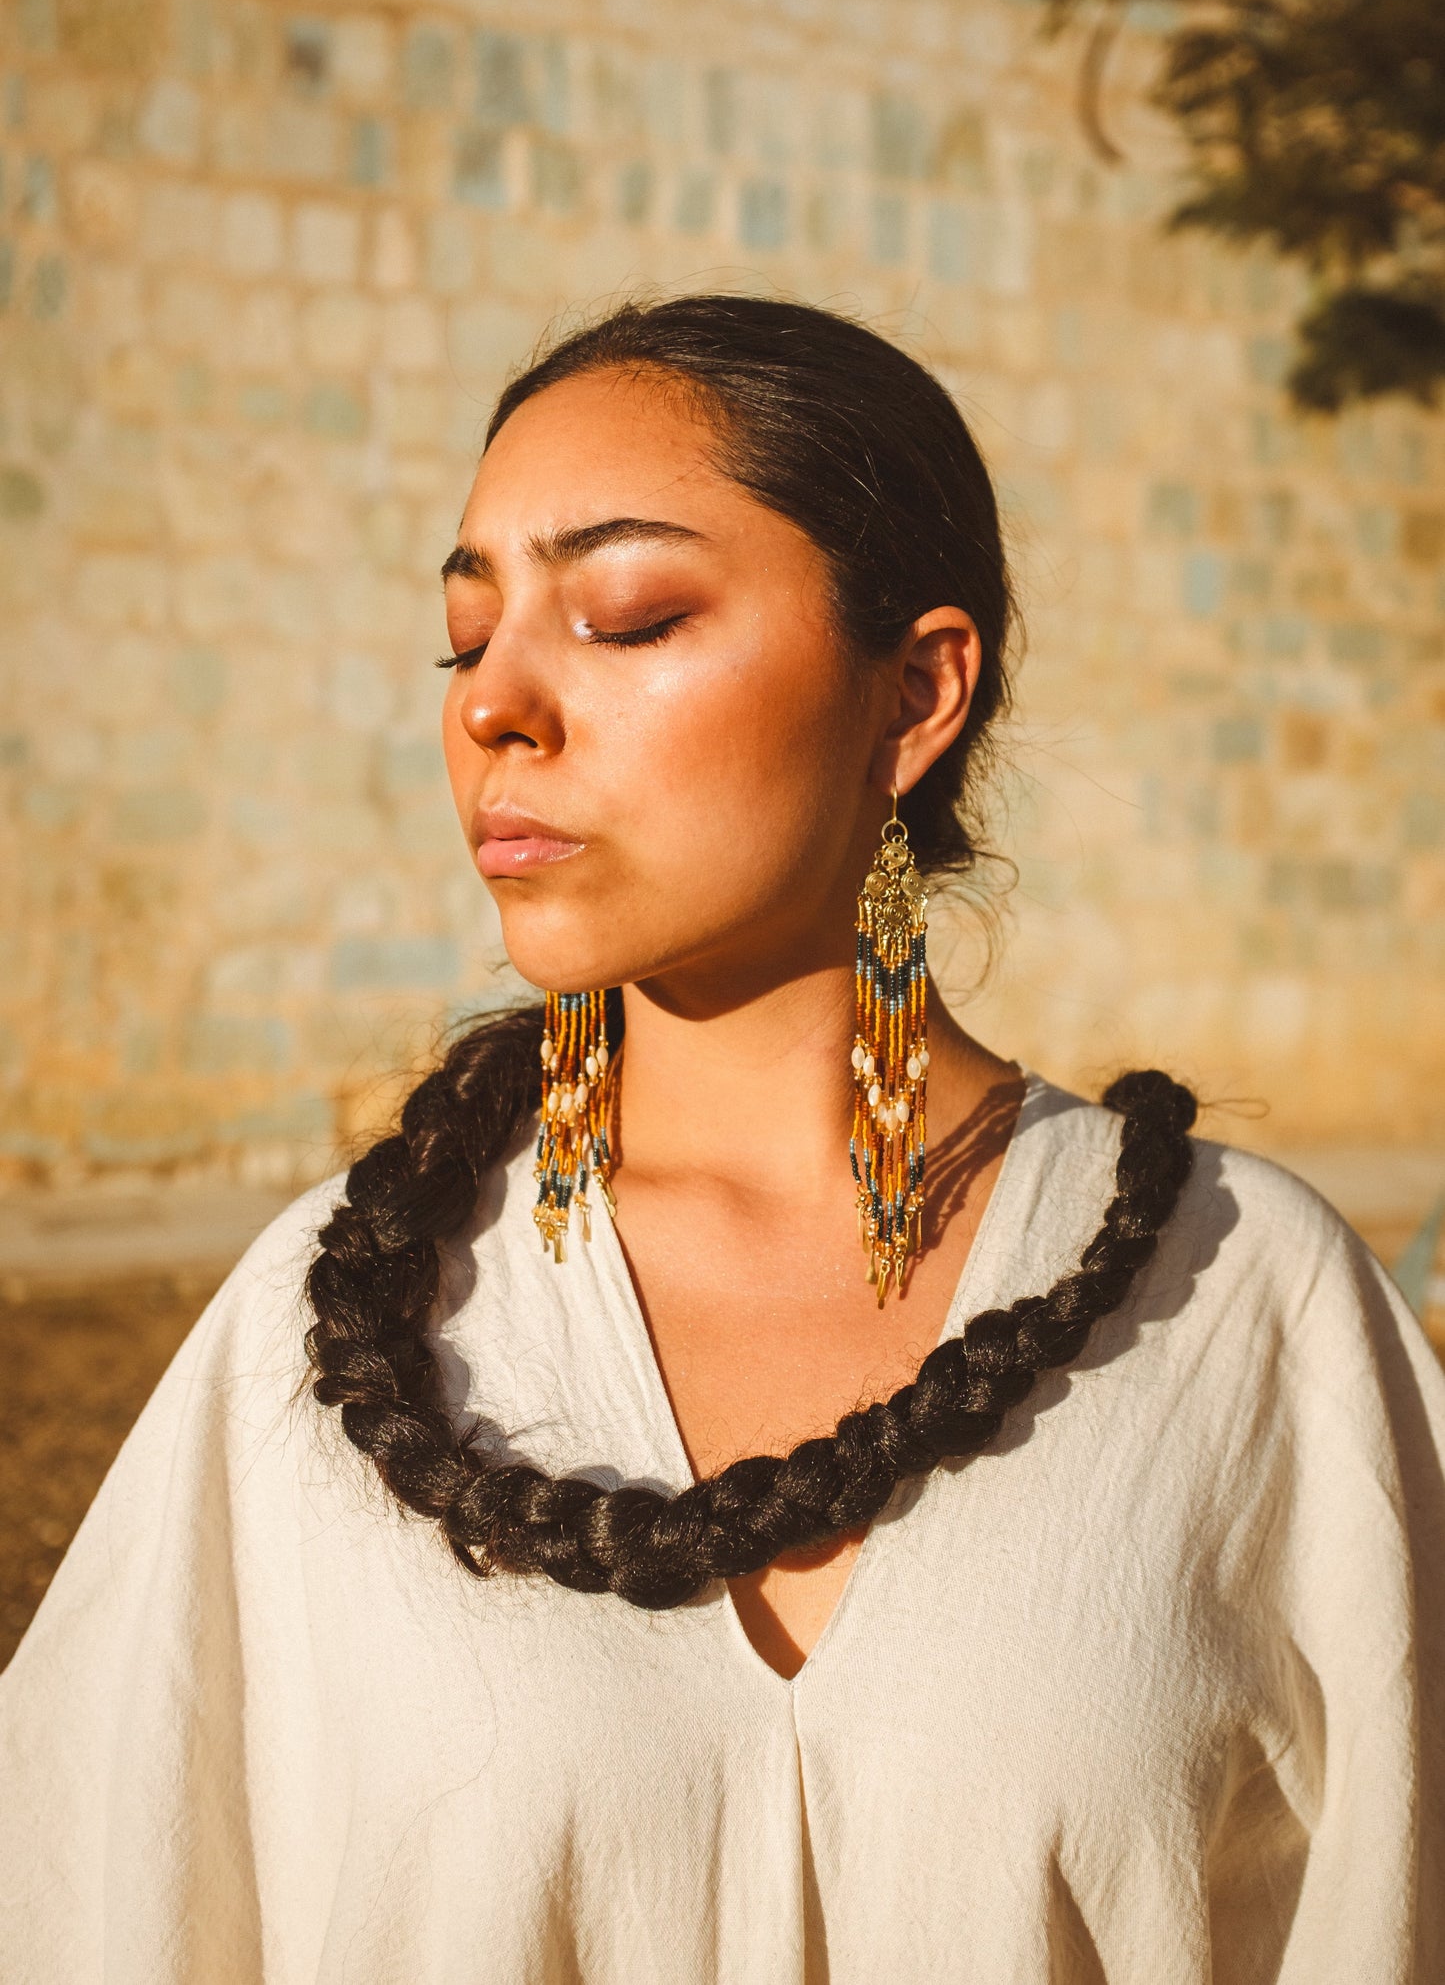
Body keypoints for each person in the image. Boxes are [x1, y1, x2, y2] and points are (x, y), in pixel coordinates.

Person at [2, 296, 1442, 1984]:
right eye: (464, 640)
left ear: (913, 691)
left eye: (624, 616)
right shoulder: (334, 1328)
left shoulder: (1242, 1304)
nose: (495, 707)